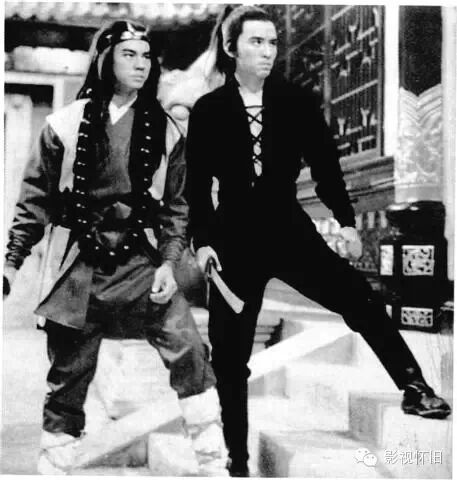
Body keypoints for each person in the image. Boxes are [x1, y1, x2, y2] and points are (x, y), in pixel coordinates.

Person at [185, 6, 451, 477]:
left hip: (289, 229)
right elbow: (198, 187)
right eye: (256, 42)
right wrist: (203, 242)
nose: (268, 51)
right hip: (233, 240)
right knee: (229, 357)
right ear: (231, 48)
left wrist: (346, 223)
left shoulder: (296, 101)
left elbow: (326, 167)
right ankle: (237, 461)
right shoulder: (209, 110)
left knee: (360, 299)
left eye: (272, 42)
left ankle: (415, 387)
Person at [3, 20, 227, 476]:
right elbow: (34, 202)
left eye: (146, 56)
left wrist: (169, 262)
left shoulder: (166, 131)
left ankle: (212, 463)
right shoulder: (64, 126)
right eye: (129, 54)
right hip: (79, 266)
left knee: (189, 349)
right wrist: (11, 262)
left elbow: (177, 207)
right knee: (68, 375)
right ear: (105, 60)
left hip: (141, 263)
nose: (141, 64)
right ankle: (54, 465)